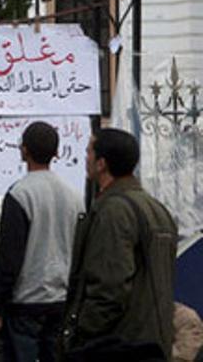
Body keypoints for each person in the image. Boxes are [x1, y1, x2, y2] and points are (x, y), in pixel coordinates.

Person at [61, 128, 177, 361]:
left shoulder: (114, 210)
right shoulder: (155, 208)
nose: (86, 159)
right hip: (152, 341)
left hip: (119, 345)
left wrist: (81, 332)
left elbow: (109, 287)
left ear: (102, 163)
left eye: (89, 152)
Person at [0, 121, 83, 362]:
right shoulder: (74, 197)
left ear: (24, 150)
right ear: (56, 152)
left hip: (26, 300)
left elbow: (10, 256)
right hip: (60, 298)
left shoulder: (20, 194)